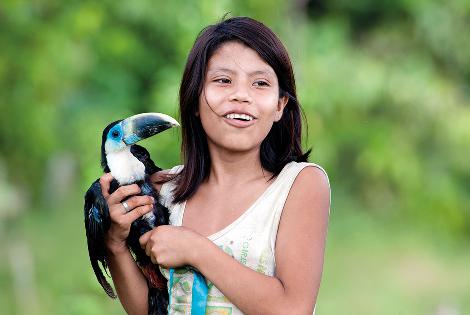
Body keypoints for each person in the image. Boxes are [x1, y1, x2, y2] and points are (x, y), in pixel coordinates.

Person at [99, 16, 330, 315]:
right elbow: (150, 310)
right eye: (223, 80)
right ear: (195, 99)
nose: (241, 95)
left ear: (279, 106)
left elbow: (293, 309)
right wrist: (115, 244)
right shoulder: (162, 190)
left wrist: (195, 250)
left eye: (260, 83)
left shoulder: (300, 184)